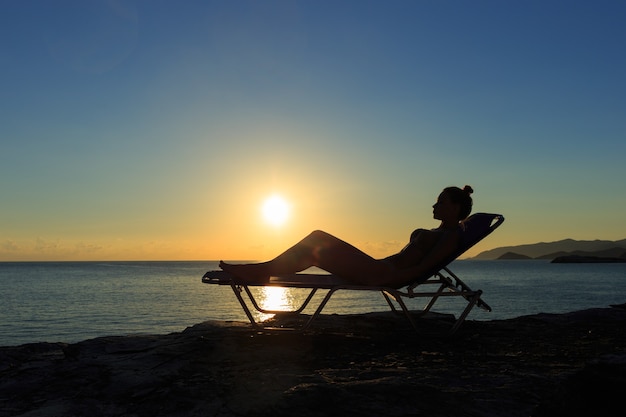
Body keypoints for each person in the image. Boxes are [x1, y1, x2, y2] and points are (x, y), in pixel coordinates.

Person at [219, 185, 474, 288]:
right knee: (316, 241)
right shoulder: (440, 233)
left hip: (384, 275)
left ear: (454, 208)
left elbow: (423, 268)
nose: (433, 206)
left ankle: (261, 270)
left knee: (317, 240)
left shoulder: (451, 236)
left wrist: (392, 279)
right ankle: (263, 269)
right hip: (381, 268)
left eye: (440, 202)